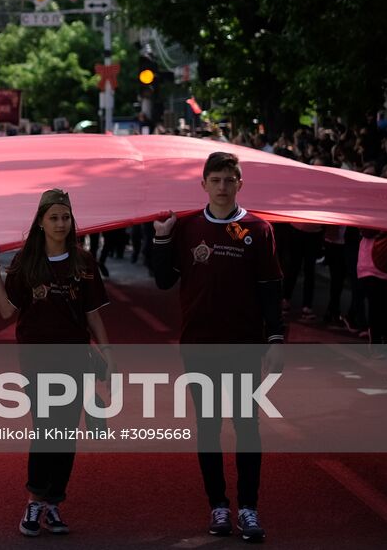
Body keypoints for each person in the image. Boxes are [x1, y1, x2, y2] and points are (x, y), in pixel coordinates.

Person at [151, 151, 284, 543]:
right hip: (199, 346)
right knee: (208, 428)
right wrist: (161, 239)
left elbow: (270, 290)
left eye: (230, 179)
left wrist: (276, 338)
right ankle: (219, 505)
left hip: (245, 345)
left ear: (240, 183)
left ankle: (248, 507)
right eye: (216, 180)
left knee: (247, 426)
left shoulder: (259, 230)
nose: (223, 187)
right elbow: (163, 281)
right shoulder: (188, 229)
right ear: (203, 183)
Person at [0, 188, 110, 537]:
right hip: (37, 357)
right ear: (40, 222)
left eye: (65, 217)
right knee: (46, 426)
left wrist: (108, 352)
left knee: (66, 430)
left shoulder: (84, 262)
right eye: (53, 217)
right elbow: (8, 310)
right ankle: (35, 499)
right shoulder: (26, 263)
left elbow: (92, 314)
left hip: (76, 356)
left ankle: (54, 501)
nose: (60, 223)